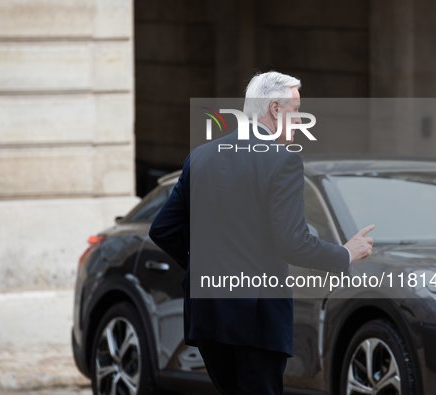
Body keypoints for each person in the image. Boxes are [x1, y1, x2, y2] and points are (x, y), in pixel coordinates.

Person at [149, 71, 374, 394]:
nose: (300, 120)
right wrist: (345, 253)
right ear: (275, 109)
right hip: (255, 315)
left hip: (208, 311)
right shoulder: (283, 161)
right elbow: (292, 242)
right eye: (296, 111)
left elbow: (163, 229)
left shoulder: (200, 156)